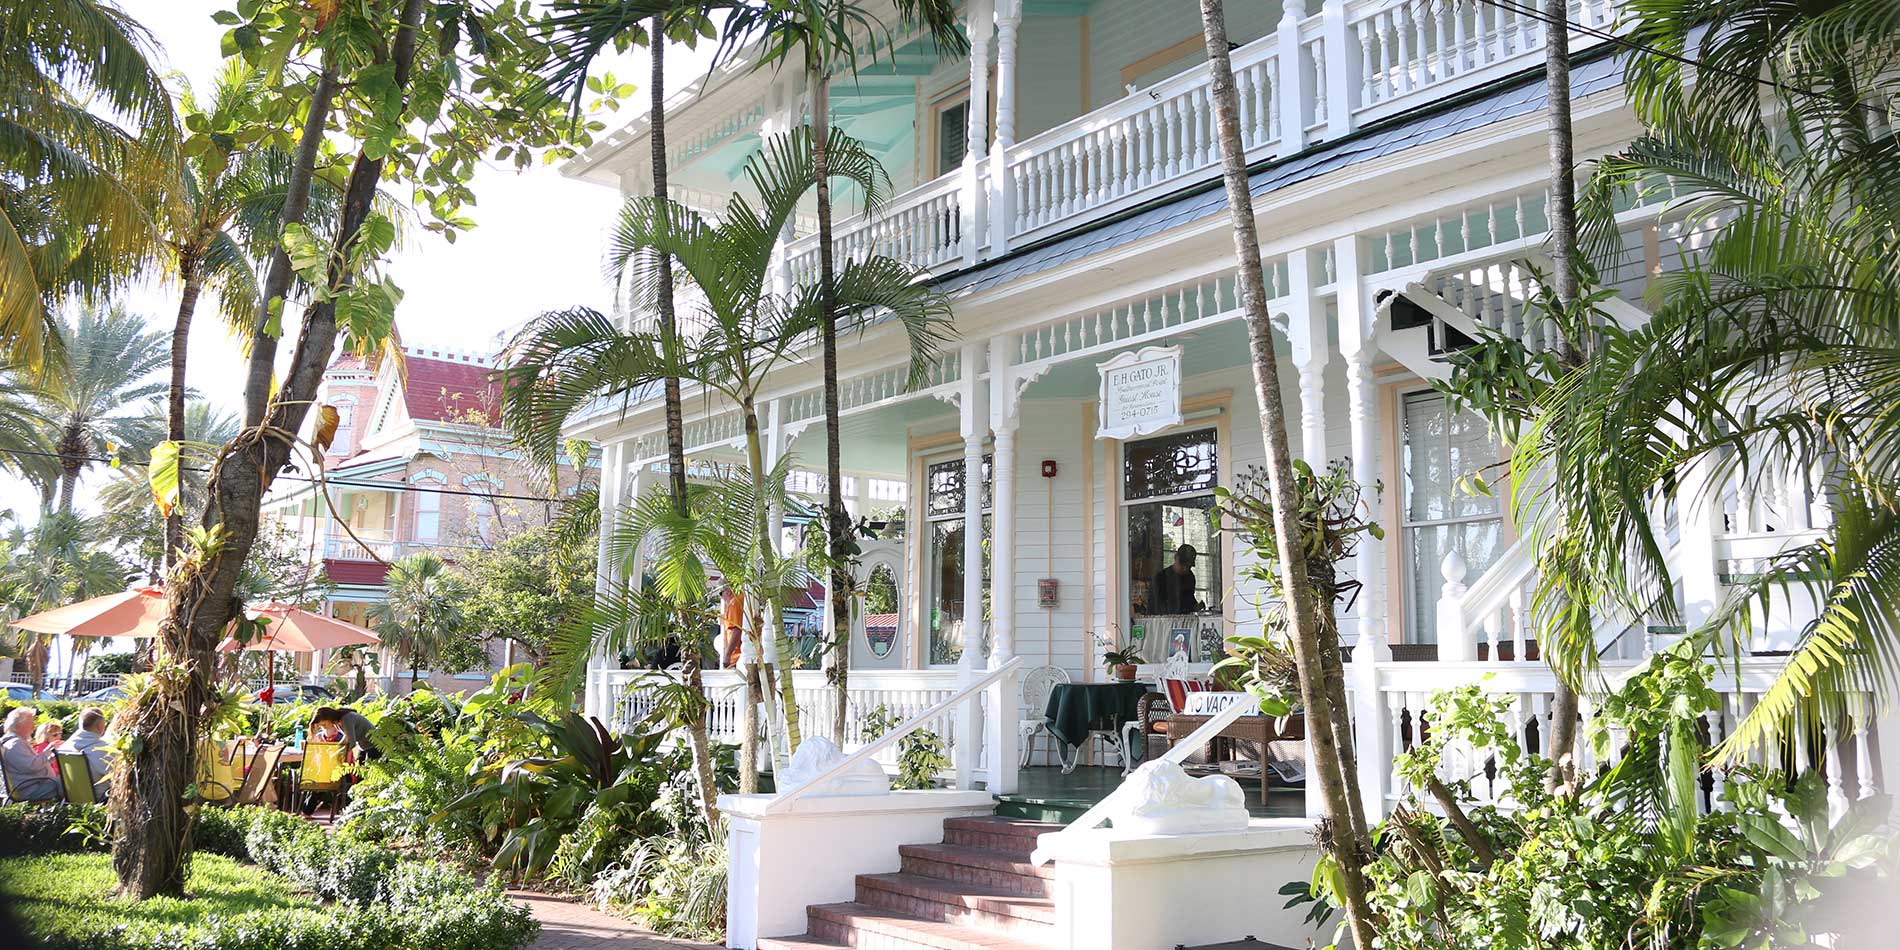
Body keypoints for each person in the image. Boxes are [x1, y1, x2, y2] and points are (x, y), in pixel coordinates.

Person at [0, 708, 61, 802]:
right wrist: (48, 750)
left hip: (31, 785)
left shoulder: (15, 742)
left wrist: (51, 758)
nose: (34, 727)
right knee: (68, 784)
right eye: (31, 723)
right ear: (21, 725)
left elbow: (29, 764)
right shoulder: (15, 744)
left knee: (65, 782)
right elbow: (31, 766)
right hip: (29, 789)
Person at [57, 708, 112, 799]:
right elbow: (117, 776)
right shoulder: (103, 750)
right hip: (100, 798)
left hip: (68, 796)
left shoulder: (64, 747)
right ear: (100, 726)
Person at [1149, 544, 1204, 614]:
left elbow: (1189, 600)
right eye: (1182, 564)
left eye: (1188, 566)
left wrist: (1196, 607)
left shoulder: (1190, 578)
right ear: (1176, 557)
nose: (1185, 569)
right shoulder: (1161, 578)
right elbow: (1154, 607)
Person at [310, 706, 378, 761]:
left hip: (375, 746)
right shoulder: (337, 723)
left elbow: (351, 743)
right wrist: (335, 748)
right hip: (364, 746)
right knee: (359, 772)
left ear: (329, 718)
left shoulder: (346, 719)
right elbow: (346, 738)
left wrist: (337, 753)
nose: (324, 728)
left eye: (324, 725)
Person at [719, 583, 747, 669]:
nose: (726, 601)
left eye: (722, 596)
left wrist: (727, 655)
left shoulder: (735, 603)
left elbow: (736, 630)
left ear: (728, 592)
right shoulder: (744, 599)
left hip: (738, 658)